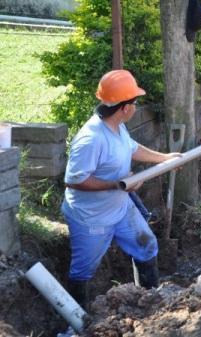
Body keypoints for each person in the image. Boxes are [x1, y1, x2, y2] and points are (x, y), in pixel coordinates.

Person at [61, 69, 181, 310]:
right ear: (125, 108)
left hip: (120, 207)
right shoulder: (91, 139)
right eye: (135, 102)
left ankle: (150, 303)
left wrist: (164, 158)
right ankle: (77, 321)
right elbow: (74, 180)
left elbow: (131, 148)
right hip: (92, 217)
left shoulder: (117, 126)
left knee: (147, 245)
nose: (136, 107)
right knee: (83, 270)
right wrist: (118, 184)